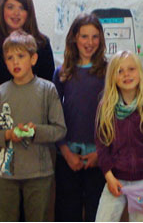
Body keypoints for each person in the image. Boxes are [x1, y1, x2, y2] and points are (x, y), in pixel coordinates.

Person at [0, 31, 66, 221]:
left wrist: (35, 131)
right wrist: (7, 135)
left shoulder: (47, 90)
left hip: (39, 172)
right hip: (5, 175)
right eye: (10, 58)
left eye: (21, 56)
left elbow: (60, 129)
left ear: (33, 58)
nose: (15, 62)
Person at [0, 0, 55, 173]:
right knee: (4, 191)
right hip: (0, 128)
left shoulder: (41, 45)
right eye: (10, 7)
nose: (16, 13)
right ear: (2, 11)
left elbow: (48, 89)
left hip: (33, 128)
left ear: (29, 13)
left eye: (22, 8)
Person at [93, 50, 143, 222]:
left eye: (131, 69)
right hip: (115, 178)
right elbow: (101, 145)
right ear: (113, 77)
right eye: (120, 71)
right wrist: (109, 176)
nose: (126, 74)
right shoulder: (106, 107)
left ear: (140, 73)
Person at [52, 13, 108, 222]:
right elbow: (53, 116)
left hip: (99, 157)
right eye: (84, 36)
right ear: (74, 38)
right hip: (68, 156)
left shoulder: (109, 71)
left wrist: (101, 153)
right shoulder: (62, 73)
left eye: (95, 37)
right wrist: (65, 152)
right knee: (67, 212)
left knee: (97, 212)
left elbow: (115, 118)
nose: (89, 42)